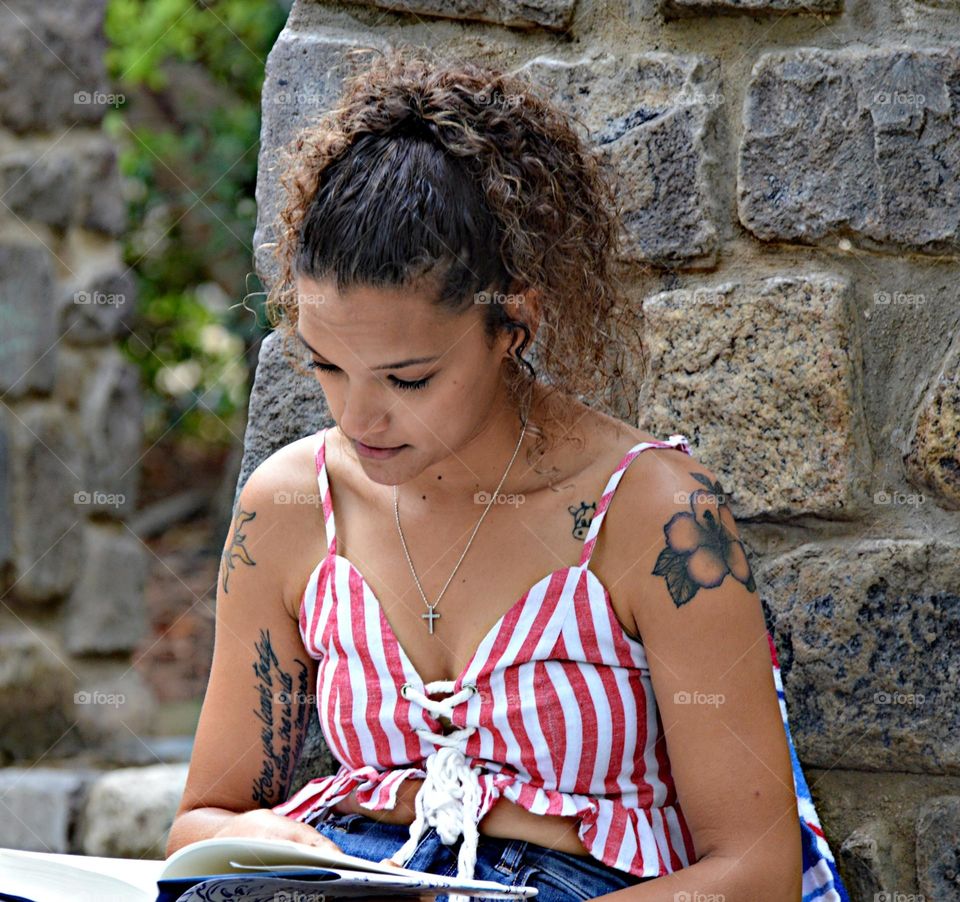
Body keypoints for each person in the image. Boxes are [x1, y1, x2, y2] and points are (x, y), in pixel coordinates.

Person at [166, 45, 849, 902]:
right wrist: (251, 839)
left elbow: (756, 873)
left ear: (512, 324)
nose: (357, 419)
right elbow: (202, 817)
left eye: (408, 379)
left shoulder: (658, 517)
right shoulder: (291, 505)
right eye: (326, 368)